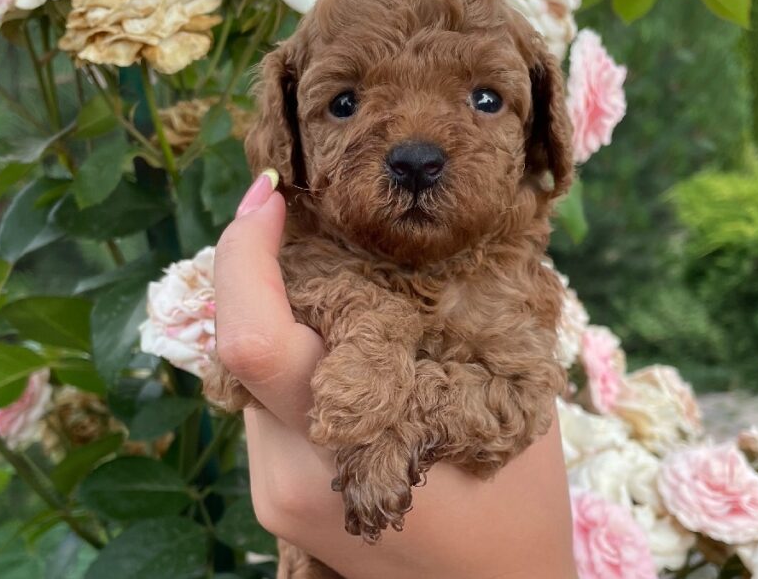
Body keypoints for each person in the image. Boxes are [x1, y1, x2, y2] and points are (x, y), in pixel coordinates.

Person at [212, 171, 577, 579]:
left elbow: (519, 392)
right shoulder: (315, 254)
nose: (416, 151)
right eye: (345, 105)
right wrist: (373, 328)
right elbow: (234, 378)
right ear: (288, 139)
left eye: (484, 103)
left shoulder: (511, 284)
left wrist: (408, 415)